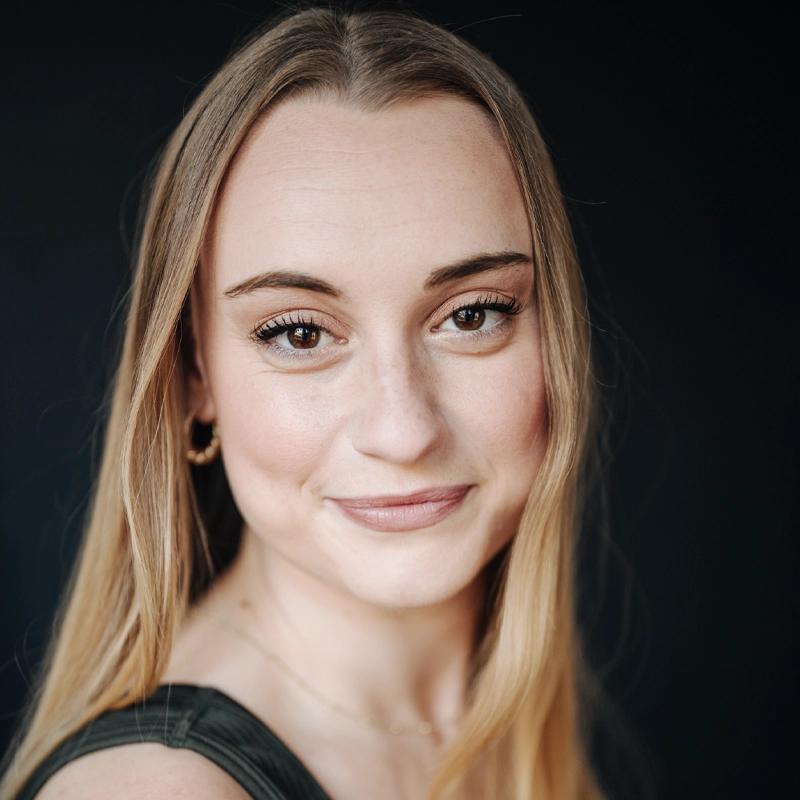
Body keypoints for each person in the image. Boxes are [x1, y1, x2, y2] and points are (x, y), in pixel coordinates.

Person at [0, 7, 604, 799]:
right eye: (298, 333)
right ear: (194, 375)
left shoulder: (494, 730)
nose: (403, 428)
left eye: (472, 315)